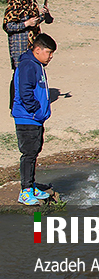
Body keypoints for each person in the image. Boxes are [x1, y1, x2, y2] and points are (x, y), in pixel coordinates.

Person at [11, 33, 57, 205]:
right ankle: (25, 191)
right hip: (27, 118)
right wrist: (36, 111)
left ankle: (31, 186)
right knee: (28, 154)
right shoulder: (28, 65)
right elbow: (25, 93)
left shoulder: (36, 64)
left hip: (35, 119)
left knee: (34, 152)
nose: (51, 56)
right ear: (37, 50)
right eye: (49, 52)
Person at [4, 0, 53, 71]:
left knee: (33, 69)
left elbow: (34, 21)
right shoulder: (13, 6)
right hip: (19, 45)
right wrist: (26, 24)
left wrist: (42, 15)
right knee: (19, 72)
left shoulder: (31, 2)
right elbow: (8, 26)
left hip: (32, 43)